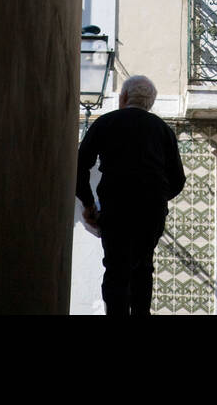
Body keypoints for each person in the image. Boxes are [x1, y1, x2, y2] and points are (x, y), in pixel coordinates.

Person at [76, 74, 186, 316]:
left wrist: (88, 203)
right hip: (151, 211)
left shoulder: (106, 123)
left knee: (116, 268)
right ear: (150, 103)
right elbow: (178, 180)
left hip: (117, 206)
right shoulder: (163, 131)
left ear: (124, 97)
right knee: (143, 266)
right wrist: (155, 197)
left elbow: (80, 164)